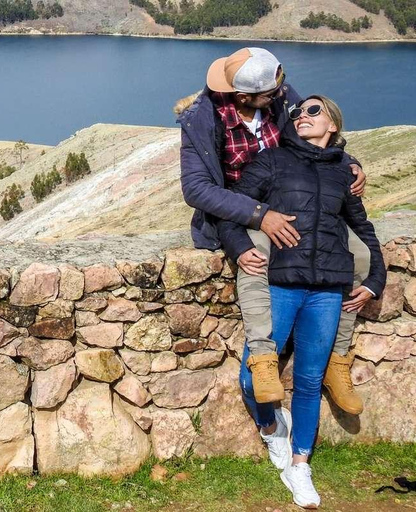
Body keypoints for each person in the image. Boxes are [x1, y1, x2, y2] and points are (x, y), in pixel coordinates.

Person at [176, 48, 369, 416]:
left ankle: (337, 360)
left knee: (357, 256)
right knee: (256, 258)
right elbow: (197, 189)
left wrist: (351, 163)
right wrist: (259, 215)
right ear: (244, 97)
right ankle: (264, 360)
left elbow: (317, 134)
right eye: (272, 93)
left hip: (291, 199)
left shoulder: (275, 91)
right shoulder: (201, 120)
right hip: (239, 213)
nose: (284, 95)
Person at [218, 96, 386, 508]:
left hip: (329, 289)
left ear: (332, 123)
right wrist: (241, 248)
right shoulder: (272, 160)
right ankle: (272, 426)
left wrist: (376, 280)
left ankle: (300, 464)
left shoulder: (342, 173)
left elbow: (363, 228)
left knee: (310, 381)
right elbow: (232, 210)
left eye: (312, 110)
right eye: (296, 113)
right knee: (252, 376)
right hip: (280, 282)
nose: (300, 115)